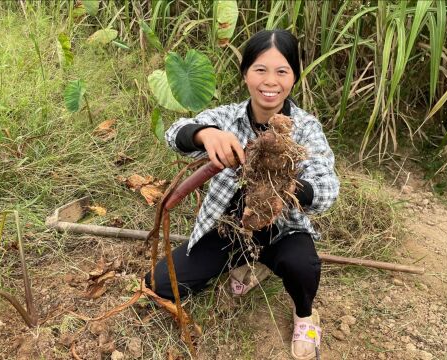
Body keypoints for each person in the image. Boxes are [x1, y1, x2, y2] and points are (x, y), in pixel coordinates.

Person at [145, 29, 340, 360]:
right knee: (158, 285)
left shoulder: (305, 128)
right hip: (230, 228)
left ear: (294, 76)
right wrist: (203, 135)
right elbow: (174, 133)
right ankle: (246, 260)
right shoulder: (227, 118)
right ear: (246, 73)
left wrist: (289, 189)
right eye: (260, 69)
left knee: (302, 265)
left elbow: (328, 188)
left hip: (282, 230)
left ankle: (305, 314)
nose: (270, 81)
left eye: (282, 71)